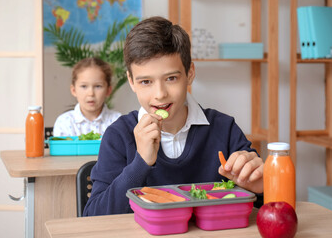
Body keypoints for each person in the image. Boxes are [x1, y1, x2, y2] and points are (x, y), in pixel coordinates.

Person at [84, 16, 263, 216]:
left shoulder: (224, 129)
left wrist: (260, 187)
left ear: (190, 73)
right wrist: (140, 163)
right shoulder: (118, 135)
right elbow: (93, 217)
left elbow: (268, 206)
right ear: (131, 81)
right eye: (145, 82)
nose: (160, 94)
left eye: (171, 78)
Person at [53, 57, 121, 137]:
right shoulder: (64, 122)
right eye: (84, 86)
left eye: (98, 86)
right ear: (74, 90)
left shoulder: (117, 121)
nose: (91, 93)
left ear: (108, 90)